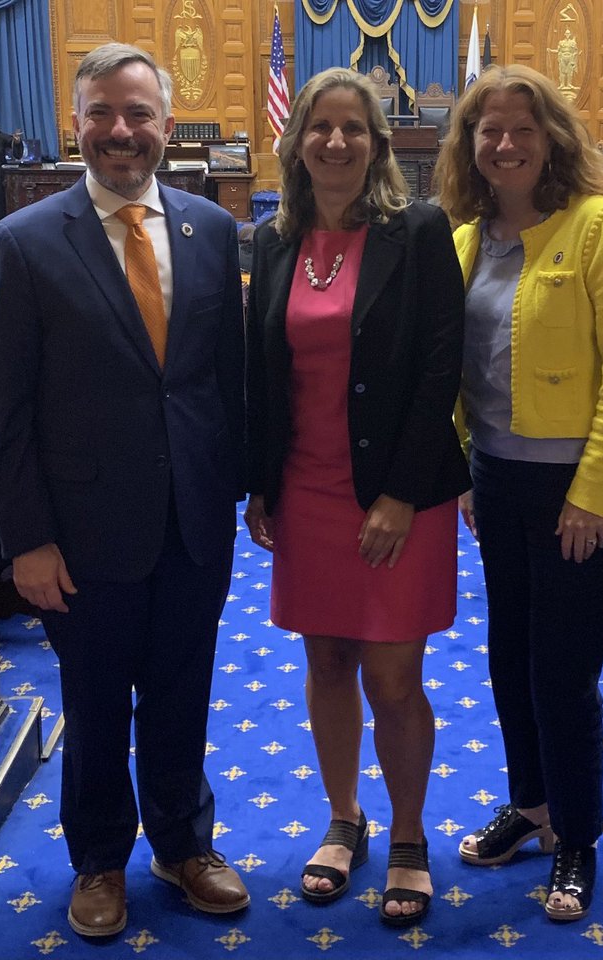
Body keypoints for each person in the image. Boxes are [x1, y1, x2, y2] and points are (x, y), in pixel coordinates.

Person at [0, 42, 247, 940]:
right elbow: (2, 412)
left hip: (193, 519)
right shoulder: (22, 243)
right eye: (102, 113)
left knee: (182, 692)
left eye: (138, 114)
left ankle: (182, 843)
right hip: (81, 534)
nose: (120, 131)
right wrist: (26, 539)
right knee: (94, 705)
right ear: (75, 124)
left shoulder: (211, 231)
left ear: (167, 125)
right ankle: (98, 859)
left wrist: (245, 493)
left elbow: (224, 383)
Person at [433, 63, 603, 923]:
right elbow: (458, 373)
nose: (505, 143)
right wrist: (464, 468)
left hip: (581, 488)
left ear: (552, 138)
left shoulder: (602, 227)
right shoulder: (467, 239)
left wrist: (593, 496)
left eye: (522, 128)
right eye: (489, 129)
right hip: (499, 479)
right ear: (470, 145)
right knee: (510, 658)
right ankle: (531, 807)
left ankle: (576, 834)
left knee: (563, 671)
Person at [244, 66, 468, 928]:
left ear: (377, 144)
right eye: (320, 126)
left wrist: (402, 495)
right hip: (305, 491)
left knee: (393, 675)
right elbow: (263, 375)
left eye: (354, 128)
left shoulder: (420, 231)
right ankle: (344, 818)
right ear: (296, 141)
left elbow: (440, 370)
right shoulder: (273, 241)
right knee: (328, 663)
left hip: (399, 493)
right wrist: (262, 485)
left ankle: (408, 834)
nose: (336, 141)